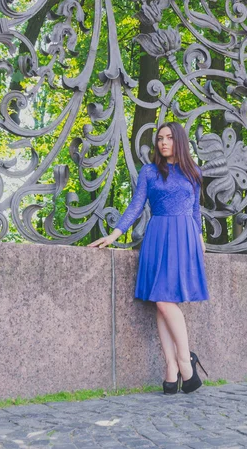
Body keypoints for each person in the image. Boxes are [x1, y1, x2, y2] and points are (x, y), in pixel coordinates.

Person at [89, 122, 209, 394]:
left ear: (179, 140)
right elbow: (136, 205)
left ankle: (180, 364)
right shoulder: (150, 172)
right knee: (161, 301)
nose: (163, 143)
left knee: (166, 302)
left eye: (168, 138)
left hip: (185, 238)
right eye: (159, 139)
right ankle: (178, 364)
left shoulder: (194, 172)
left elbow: (195, 210)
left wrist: (200, 240)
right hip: (158, 235)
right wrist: (115, 234)